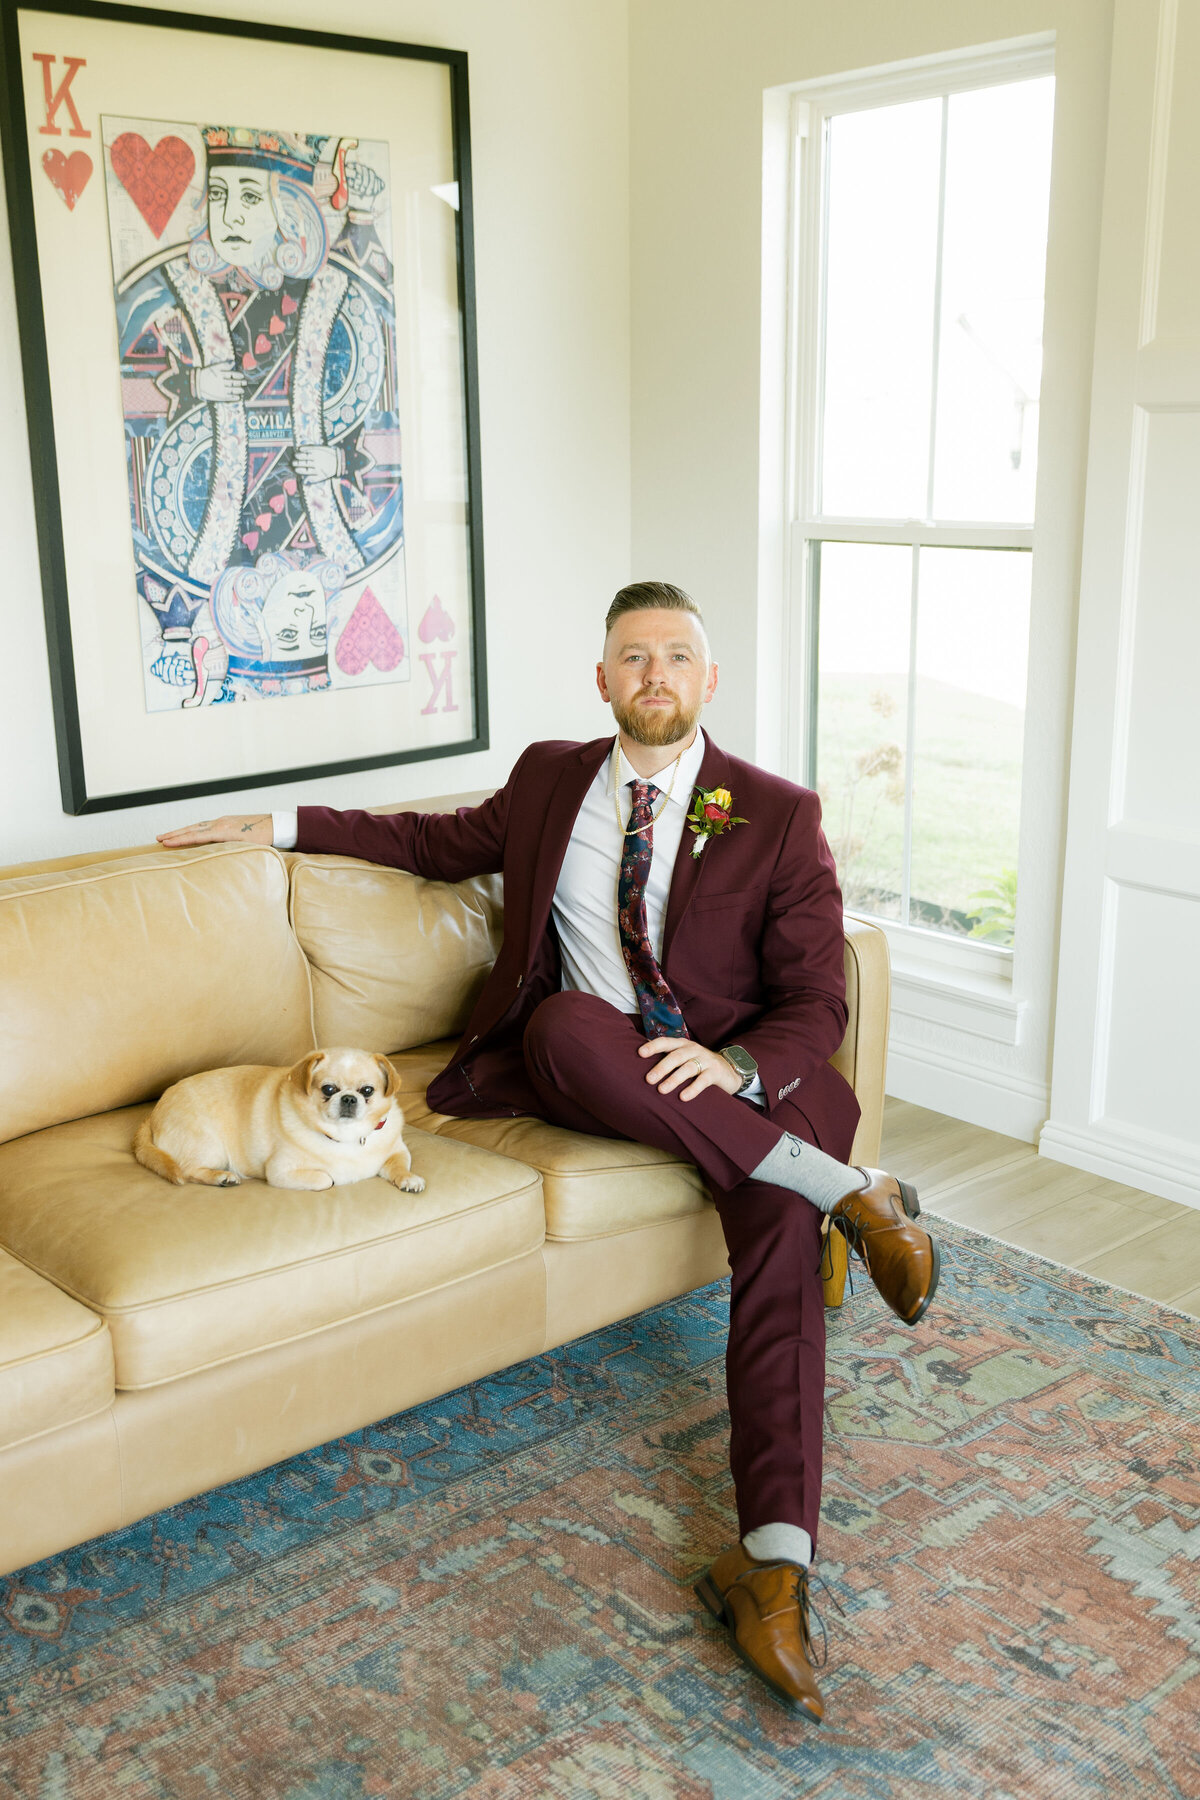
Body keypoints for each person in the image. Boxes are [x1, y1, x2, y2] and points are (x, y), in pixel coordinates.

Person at [157, 579, 938, 1722]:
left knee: (775, 1231)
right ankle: (851, 1196)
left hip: (752, 1078)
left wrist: (736, 1067)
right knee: (568, 1021)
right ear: (602, 678)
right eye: (634, 656)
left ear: (710, 680)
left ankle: (773, 1566)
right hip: (600, 1061)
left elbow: (820, 998)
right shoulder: (548, 781)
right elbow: (424, 842)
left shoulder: (776, 813)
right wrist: (276, 825)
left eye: (678, 655)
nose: (656, 674)